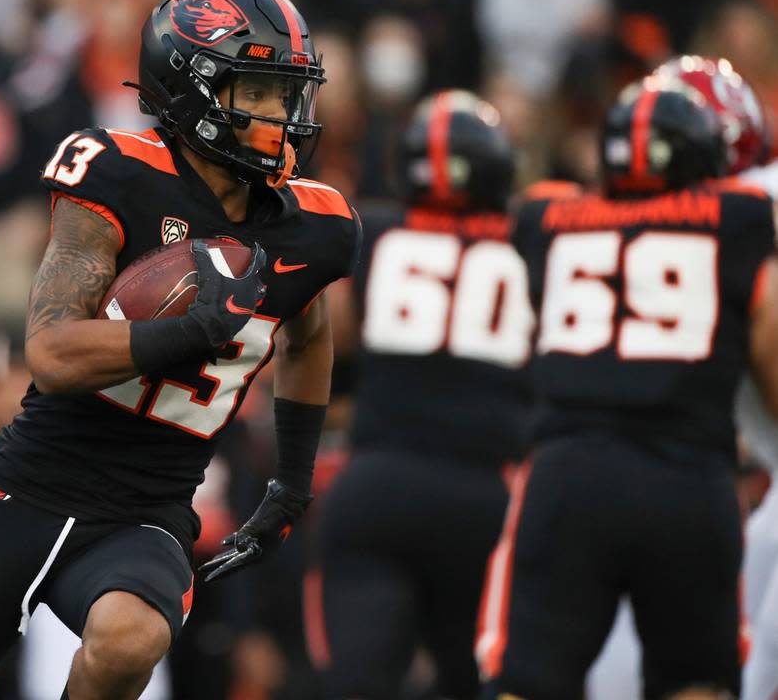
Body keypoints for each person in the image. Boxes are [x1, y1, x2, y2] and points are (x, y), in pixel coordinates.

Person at [0, 0, 361, 700]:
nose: (280, 115)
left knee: (132, 637)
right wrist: (191, 330)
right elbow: (52, 352)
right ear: (191, 86)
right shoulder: (119, 173)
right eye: (255, 92)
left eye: (287, 93)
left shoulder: (314, 225)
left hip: (150, 506)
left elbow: (309, 336)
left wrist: (290, 483)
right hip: (29, 484)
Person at [477, 78, 778, 700]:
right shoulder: (742, 216)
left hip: (569, 476)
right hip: (688, 478)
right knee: (696, 680)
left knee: (529, 680)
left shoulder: (547, 215)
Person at [315, 90, 533, 699]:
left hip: (378, 484)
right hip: (484, 496)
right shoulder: (530, 241)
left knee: (358, 685)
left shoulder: (376, 231)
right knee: (478, 682)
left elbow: (317, 340)